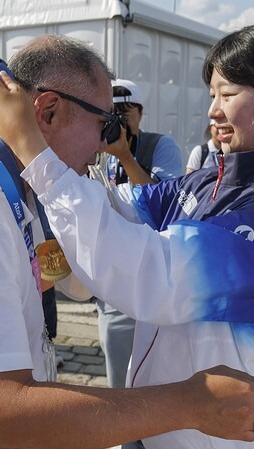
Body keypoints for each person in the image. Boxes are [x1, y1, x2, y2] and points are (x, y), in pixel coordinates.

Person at [0, 35, 254, 449]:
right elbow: (3, 415)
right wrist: (190, 403)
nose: (104, 144)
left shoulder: (13, 191)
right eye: (102, 123)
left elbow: (53, 276)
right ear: (48, 110)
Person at [0, 21, 254, 449]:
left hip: (208, 442)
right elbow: (115, 209)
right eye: (212, 95)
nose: (214, 110)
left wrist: (34, 151)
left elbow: (158, 278)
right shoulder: (202, 183)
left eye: (228, 95)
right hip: (151, 426)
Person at [97, 79, 184, 388]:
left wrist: (126, 156)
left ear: (141, 112)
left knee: (156, 368)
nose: (118, 119)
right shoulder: (102, 151)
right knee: (117, 366)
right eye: (111, 112)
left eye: (125, 111)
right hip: (116, 271)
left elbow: (167, 203)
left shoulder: (161, 146)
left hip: (153, 272)